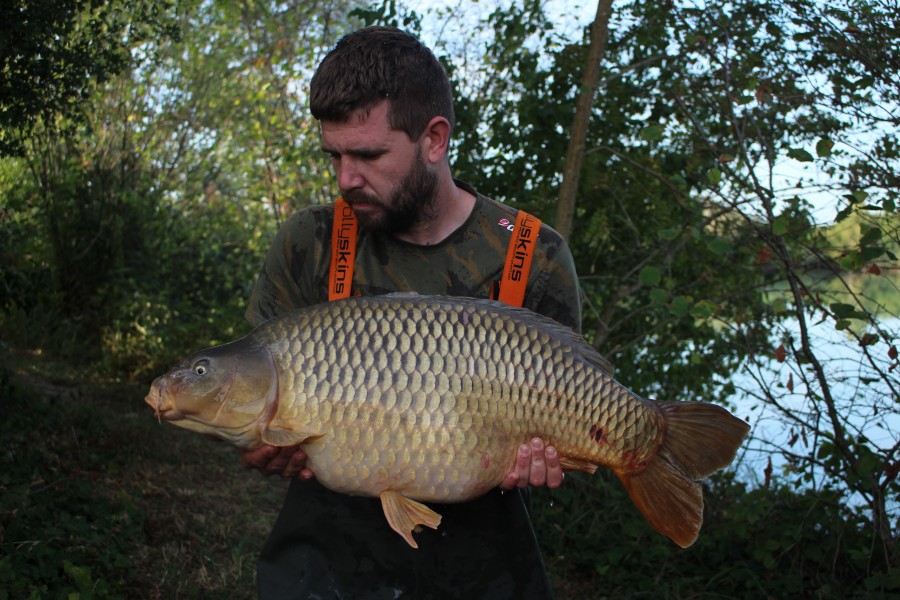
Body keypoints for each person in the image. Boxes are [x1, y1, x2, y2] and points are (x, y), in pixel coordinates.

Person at [241, 26, 582, 599]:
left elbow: (570, 420)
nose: (346, 178)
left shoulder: (534, 255)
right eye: (335, 155)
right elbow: (252, 398)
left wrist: (554, 457)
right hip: (326, 566)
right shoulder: (310, 241)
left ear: (434, 139)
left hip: (482, 569)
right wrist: (259, 446)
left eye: (369, 155)